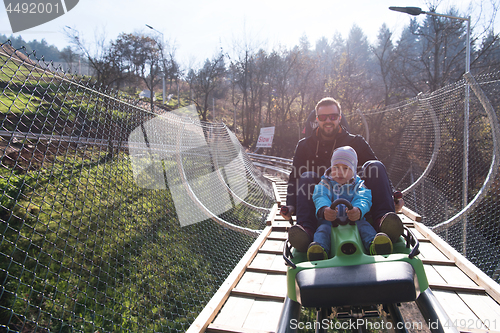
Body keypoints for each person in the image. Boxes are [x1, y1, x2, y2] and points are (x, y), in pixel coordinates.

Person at [281, 97, 404, 253]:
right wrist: (290, 204)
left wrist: (393, 195)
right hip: (322, 199)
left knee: (375, 166)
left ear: (339, 118)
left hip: (353, 196)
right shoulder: (305, 145)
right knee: (305, 175)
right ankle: (306, 230)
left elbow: (379, 171)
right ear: (317, 119)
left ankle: (384, 221)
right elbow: (294, 177)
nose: (328, 121)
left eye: (332, 116)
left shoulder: (356, 142)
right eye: (323, 117)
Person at [307, 146, 394, 261]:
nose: (339, 172)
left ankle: (374, 245)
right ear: (331, 167)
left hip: (354, 220)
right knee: (322, 230)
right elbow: (320, 195)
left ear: (353, 171)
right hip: (330, 222)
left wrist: (358, 209)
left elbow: (363, 197)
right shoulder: (325, 183)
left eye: (345, 168)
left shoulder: (357, 184)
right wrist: (324, 209)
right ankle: (319, 250)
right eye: (336, 167)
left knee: (365, 227)